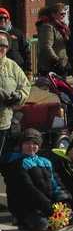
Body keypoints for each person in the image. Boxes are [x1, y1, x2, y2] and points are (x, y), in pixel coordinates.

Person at [2, 127, 73, 231]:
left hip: (45, 204)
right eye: (27, 143)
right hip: (25, 205)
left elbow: (56, 182)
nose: (31, 146)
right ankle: (20, 219)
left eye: (34, 144)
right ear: (21, 145)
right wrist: (48, 207)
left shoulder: (45, 161)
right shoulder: (16, 163)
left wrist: (63, 200)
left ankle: (43, 216)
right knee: (42, 224)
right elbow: (29, 189)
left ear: (39, 146)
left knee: (71, 216)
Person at [0, 31, 32, 160]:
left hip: (5, 121)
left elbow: (25, 86)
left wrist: (18, 96)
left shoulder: (12, 66)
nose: (1, 48)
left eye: (4, 45)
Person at [36, 2, 71, 75]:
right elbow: (47, 46)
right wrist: (57, 60)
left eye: (65, 14)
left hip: (62, 64)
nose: (63, 16)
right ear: (53, 14)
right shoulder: (48, 27)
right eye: (61, 14)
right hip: (51, 66)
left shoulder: (62, 27)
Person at [0, 6, 32, 72]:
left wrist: (29, 70)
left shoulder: (18, 33)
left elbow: (26, 51)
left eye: (5, 18)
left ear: (8, 19)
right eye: (0, 18)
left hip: (18, 68)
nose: (2, 20)